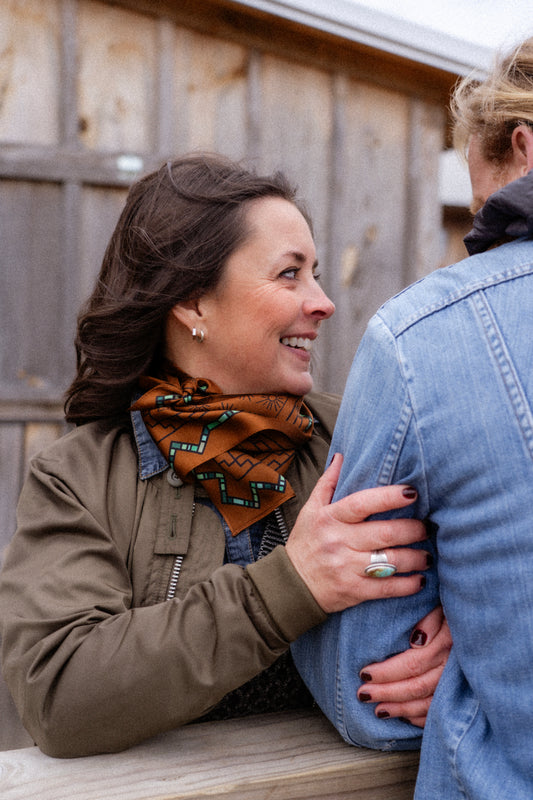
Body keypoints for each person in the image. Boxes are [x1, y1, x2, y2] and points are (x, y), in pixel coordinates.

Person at [0, 154, 446, 758]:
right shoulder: (79, 478)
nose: (323, 302)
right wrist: (289, 588)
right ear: (192, 301)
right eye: (290, 274)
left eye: (315, 273)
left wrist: (450, 643)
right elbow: (58, 694)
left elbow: (482, 573)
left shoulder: (363, 436)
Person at [292, 36, 533, 799]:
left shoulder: (422, 338)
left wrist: (492, 631)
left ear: (521, 147)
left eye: (481, 198)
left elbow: (371, 695)